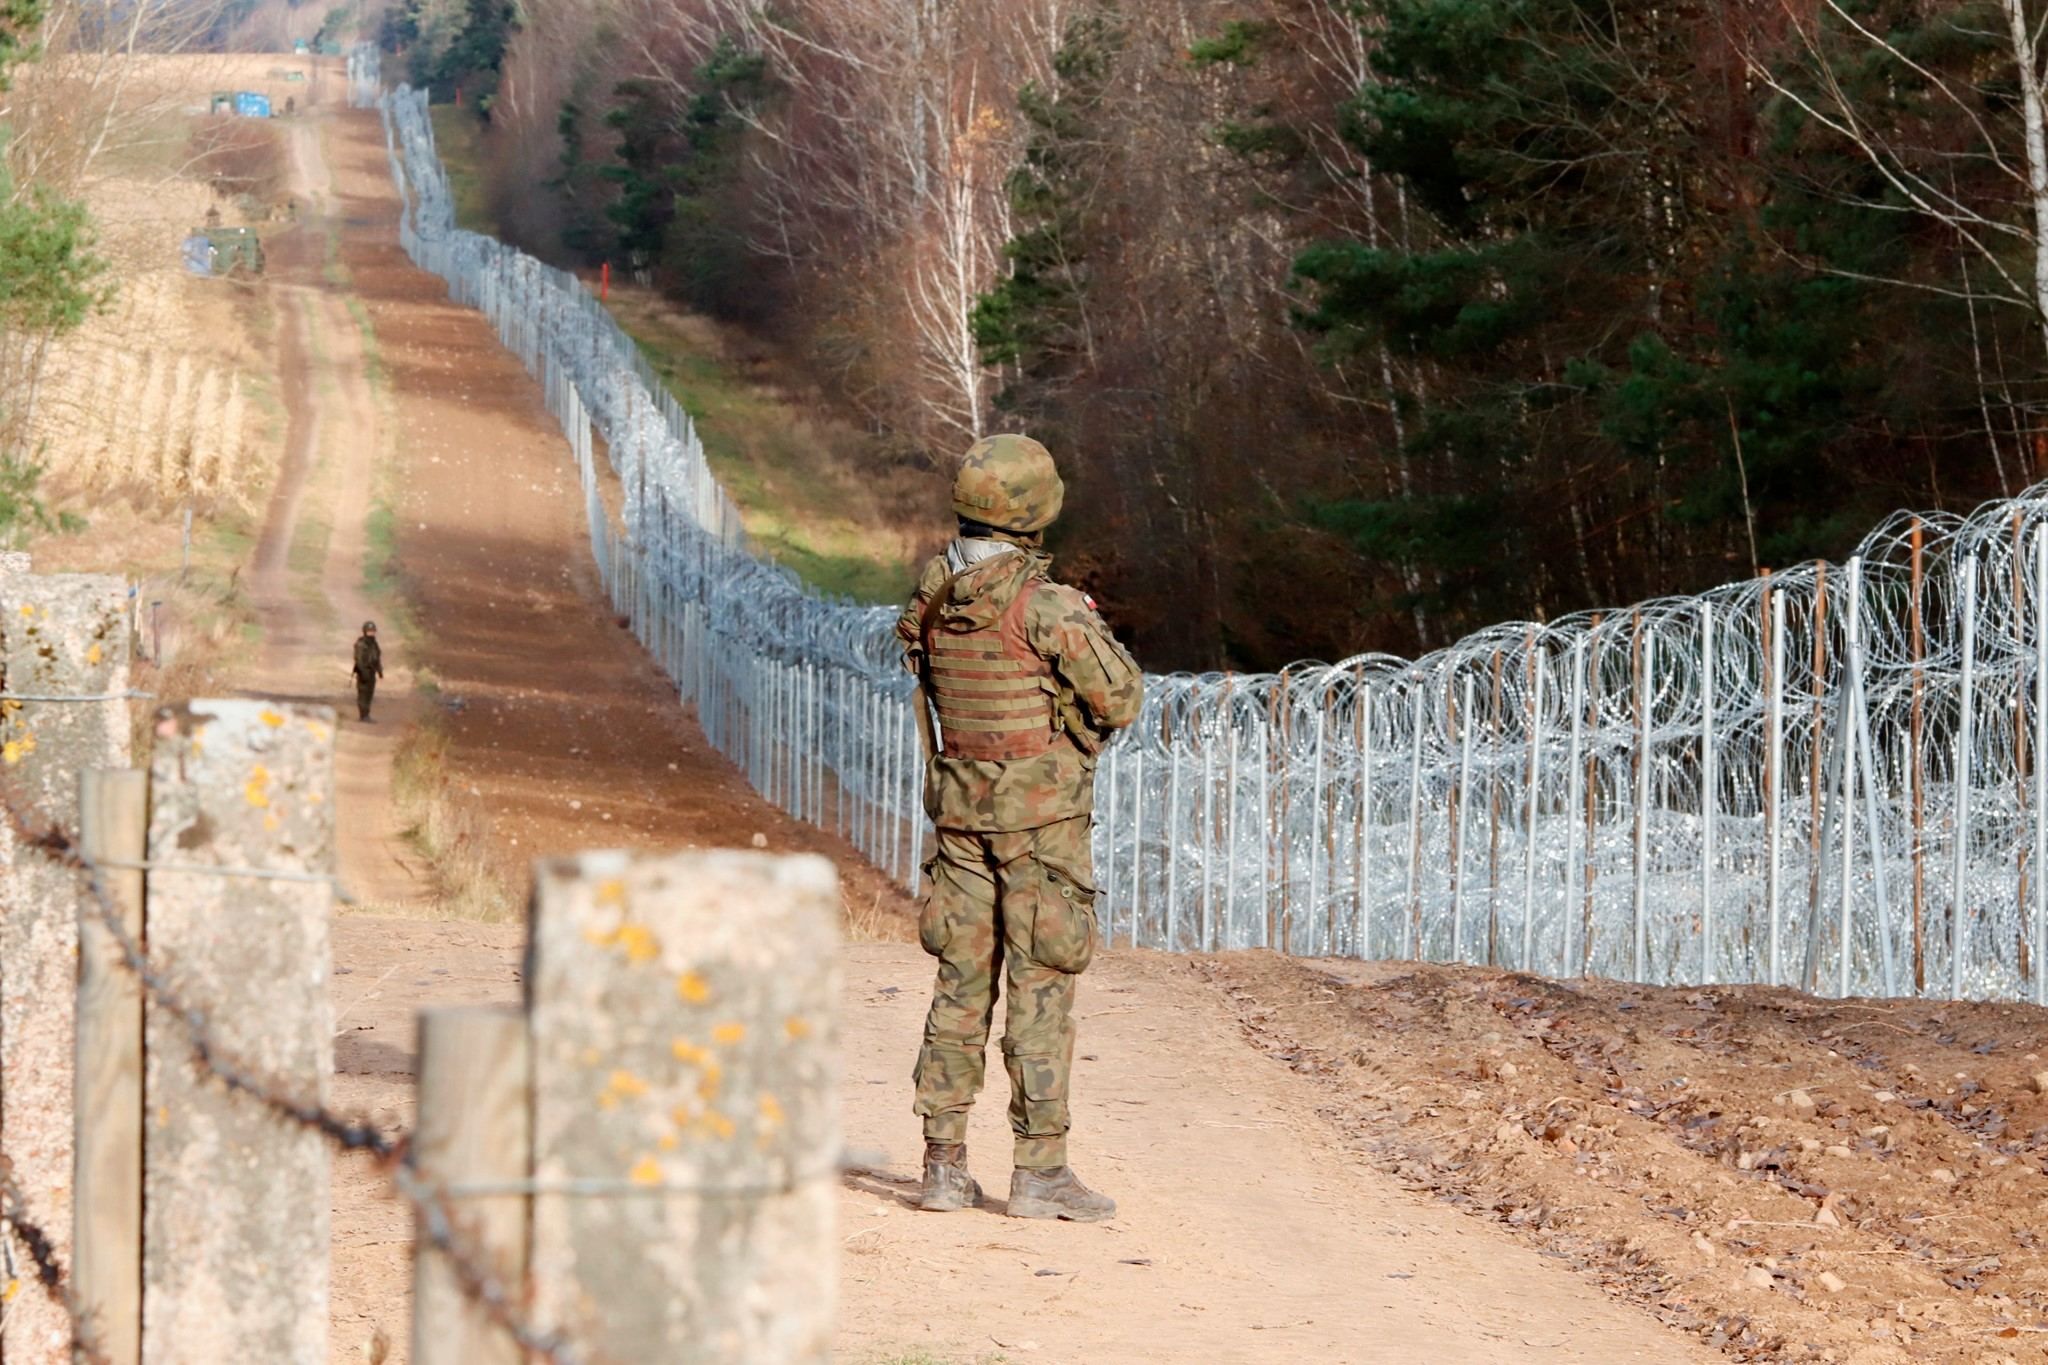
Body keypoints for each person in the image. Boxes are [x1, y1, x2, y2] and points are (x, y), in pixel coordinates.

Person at [895, 433, 1144, 1222]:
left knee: (960, 985)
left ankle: (942, 1165)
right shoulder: (1047, 606)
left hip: (961, 818)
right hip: (1041, 827)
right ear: (1035, 512)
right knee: (1040, 988)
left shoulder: (935, 595)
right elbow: (1121, 700)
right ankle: (1040, 1171)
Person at [351, 621, 383, 721]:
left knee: (369, 694)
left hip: (371, 672)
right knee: (363, 694)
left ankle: (366, 714)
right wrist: (363, 672)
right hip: (363, 672)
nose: (371, 633)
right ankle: (363, 715)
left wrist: (379, 671)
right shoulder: (361, 644)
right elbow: (359, 659)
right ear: (365, 631)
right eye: (369, 631)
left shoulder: (374, 644)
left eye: (373, 631)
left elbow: (377, 658)